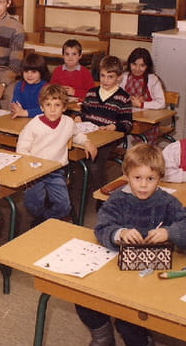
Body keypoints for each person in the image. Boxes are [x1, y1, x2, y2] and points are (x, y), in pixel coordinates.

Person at [79, 144, 186, 346]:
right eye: (137, 178)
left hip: (151, 274)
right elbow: (102, 227)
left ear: (160, 178)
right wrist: (120, 233)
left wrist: (170, 232)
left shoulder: (167, 202)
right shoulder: (117, 199)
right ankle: (103, 338)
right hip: (118, 268)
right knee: (84, 298)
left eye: (150, 179)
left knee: (128, 318)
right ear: (126, 175)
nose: (144, 185)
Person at [16, 84, 98, 226]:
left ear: (64, 107)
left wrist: (87, 142)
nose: (52, 109)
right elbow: (22, 149)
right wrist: (31, 168)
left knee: (64, 206)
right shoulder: (34, 125)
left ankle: (43, 221)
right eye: (48, 105)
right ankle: (41, 220)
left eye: (57, 105)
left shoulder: (68, 122)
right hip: (34, 172)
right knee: (33, 202)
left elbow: (77, 134)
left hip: (56, 171)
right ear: (42, 107)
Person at [76, 55, 133, 192]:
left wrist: (115, 126)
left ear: (119, 77)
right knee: (72, 154)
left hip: (108, 138)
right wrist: (78, 117)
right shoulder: (92, 93)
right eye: (102, 76)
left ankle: (101, 194)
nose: (105, 80)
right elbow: (84, 112)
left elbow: (127, 123)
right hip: (89, 134)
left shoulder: (123, 97)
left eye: (110, 77)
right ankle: (78, 190)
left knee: (96, 161)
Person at [119, 48, 166, 143]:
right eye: (134, 64)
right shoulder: (124, 77)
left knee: (140, 143)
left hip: (147, 122)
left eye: (142, 65)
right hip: (129, 117)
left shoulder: (152, 80)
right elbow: (118, 95)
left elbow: (161, 103)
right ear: (129, 64)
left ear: (147, 66)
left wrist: (141, 104)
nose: (137, 69)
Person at [10, 52, 49, 119]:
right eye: (26, 71)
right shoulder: (19, 85)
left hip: (41, 120)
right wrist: (16, 109)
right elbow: (15, 105)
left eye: (34, 72)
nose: (29, 75)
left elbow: (47, 109)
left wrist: (25, 113)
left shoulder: (47, 88)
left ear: (41, 71)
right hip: (22, 119)